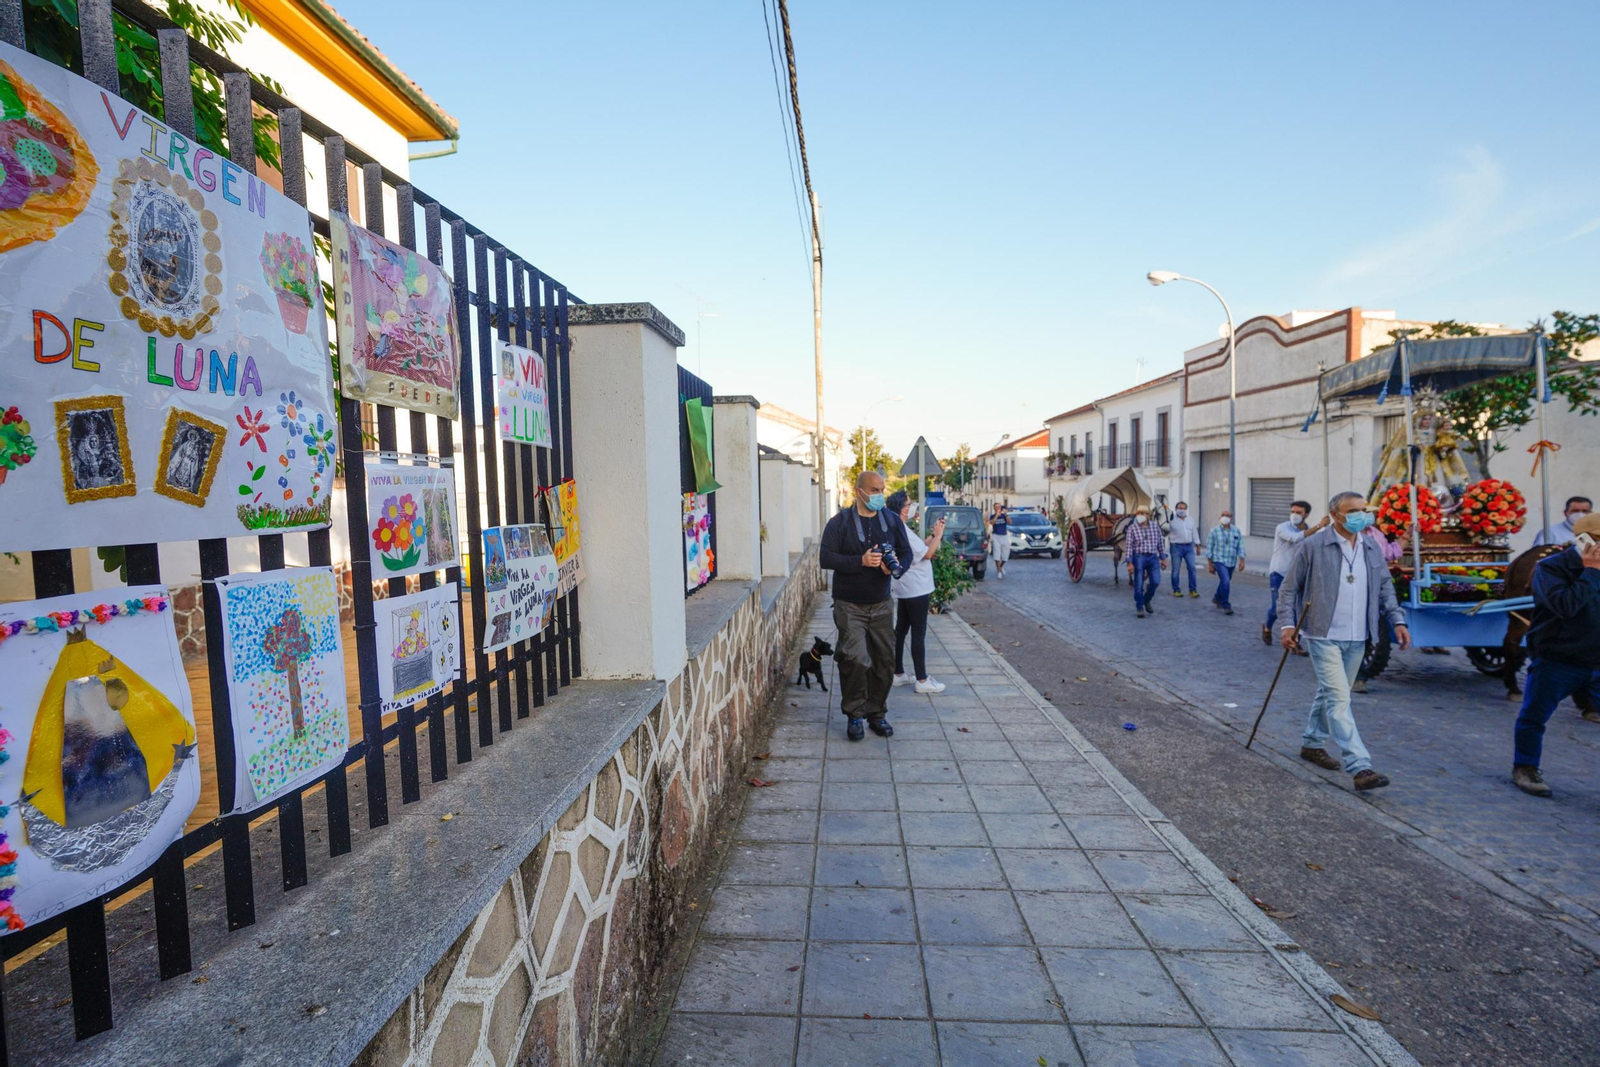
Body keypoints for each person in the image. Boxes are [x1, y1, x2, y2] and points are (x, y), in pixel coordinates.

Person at [1276, 492, 1412, 790]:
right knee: (1339, 699)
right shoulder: (1313, 545)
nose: (1361, 516)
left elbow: (1386, 586)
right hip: (1322, 634)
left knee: (1329, 694)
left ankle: (1312, 743)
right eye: (1353, 511)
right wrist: (1288, 626)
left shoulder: (1371, 547)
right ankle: (1360, 766)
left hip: (1358, 636)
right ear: (1335, 514)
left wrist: (1397, 620)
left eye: (1364, 510)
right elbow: (1288, 590)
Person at [1509, 513, 1600, 797]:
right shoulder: (1552, 568)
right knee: (1535, 716)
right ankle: (1525, 767)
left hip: (1596, 657)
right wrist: (1592, 572)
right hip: (1558, 657)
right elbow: (1565, 605)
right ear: (1585, 541)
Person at [820, 471, 915, 741]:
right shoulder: (840, 523)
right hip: (849, 605)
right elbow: (825, 558)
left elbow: (906, 553)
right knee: (855, 658)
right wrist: (859, 561)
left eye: (882, 489)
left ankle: (877, 714)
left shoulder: (891, 520)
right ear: (859, 491)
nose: (879, 495)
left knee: (884, 661)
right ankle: (854, 714)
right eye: (874, 490)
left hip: (882, 604)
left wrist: (895, 568)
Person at [888, 491, 947, 694]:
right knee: (918, 633)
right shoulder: (901, 528)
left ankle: (898, 673)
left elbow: (919, 548)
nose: (911, 506)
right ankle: (922, 680)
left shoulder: (896, 527)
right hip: (916, 589)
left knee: (901, 630)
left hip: (905, 588)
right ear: (902, 509)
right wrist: (938, 536)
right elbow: (928, 554)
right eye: (909, 504)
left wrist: (931, 535)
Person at [1263, 500, 1329, 648]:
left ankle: (1295, 641)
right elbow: (1296, 538)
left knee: (1297, 609)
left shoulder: (1311, 531)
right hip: (1279, 572)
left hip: (1299, 574)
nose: (1295, 515)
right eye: (1292, 511)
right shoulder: (1282, 527)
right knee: (1277, 607)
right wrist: (1320, 526)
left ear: (1306, 514)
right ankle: (1267, 627)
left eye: (1298, 512)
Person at [1123, 503, 1167, 618]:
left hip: (1153, 557)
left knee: (1156, 581)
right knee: (1138, 584)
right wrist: (1129, 562)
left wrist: (1163, 558)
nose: (1140, 515)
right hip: (1139, 557)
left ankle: (1146, 599)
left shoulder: (1155, 527)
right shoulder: (1132, 528)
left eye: (1143, 513)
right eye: (1138, 513)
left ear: (1148, 515)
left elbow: (1160, 543)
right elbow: (1129, 547)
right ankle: (1139, 607)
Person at [1204, 510, 1244, 615]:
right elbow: (1209, 548)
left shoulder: (1236, 531)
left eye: (1227, 516)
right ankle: (1226, 604)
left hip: (1231, 561)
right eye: (1223, 515)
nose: (1225, 517)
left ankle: (1217, 597)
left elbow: (1240, 546)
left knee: (1224, 581)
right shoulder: (1214, 531)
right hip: (1219, 560)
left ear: (1231, 518)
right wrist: (1210, 565)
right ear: (1220, 517)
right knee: (1225, 581)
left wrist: (1242, 561)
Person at [1167, 501, 1199, 598]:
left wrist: (1197, 545)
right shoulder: (1171, 519)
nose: (1182, 510)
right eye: (1180, 508)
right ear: (1176, 509)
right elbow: (1165, 530)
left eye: (1184, 508)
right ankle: (1176, 590)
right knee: (1176, 570)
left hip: (1189, 547)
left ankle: (1192, 590)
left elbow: (1194, 531)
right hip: (1176, 547)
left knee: (1192, 568)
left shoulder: (1190, 519)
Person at [989, 503, 1010, 578]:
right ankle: (999, 572)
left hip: (1004, 536)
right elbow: (992, 523)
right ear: (994, 508)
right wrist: (997, 515)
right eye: (996, 507)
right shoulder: (992, 516)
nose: (998, 508)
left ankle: (1001, 566)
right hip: (996, 536)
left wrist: (1006, 514)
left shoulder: (1004, 516)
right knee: (997, 555)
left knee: (1006, 555)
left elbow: (1010, 522)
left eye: (999, 507)